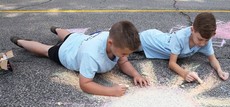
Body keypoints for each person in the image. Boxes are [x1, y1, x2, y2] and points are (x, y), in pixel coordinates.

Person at [10, 21, 149, 97]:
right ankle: (21, 42)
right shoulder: (91, 55)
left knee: (70, 36)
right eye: (124, 53)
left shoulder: (113, 39)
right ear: (110, 43)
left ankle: (57, 29)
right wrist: (111, 91)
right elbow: (85, 84)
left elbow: (123, 62)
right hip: (67, 53)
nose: (127, 57)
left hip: (79, 40)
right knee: (46, 50)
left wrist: (136, 74)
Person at [138, 12, 229, 83]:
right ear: (192, 30)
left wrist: (219, 70)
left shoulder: (205, 39)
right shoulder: (180, 37)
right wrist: (185, 74)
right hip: (148, 40)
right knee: (126, 46)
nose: (202, 44)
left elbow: (212, 59)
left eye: (206, 40)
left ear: (213, 35)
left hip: (158, 39)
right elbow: (172, 64)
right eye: (200, 39)